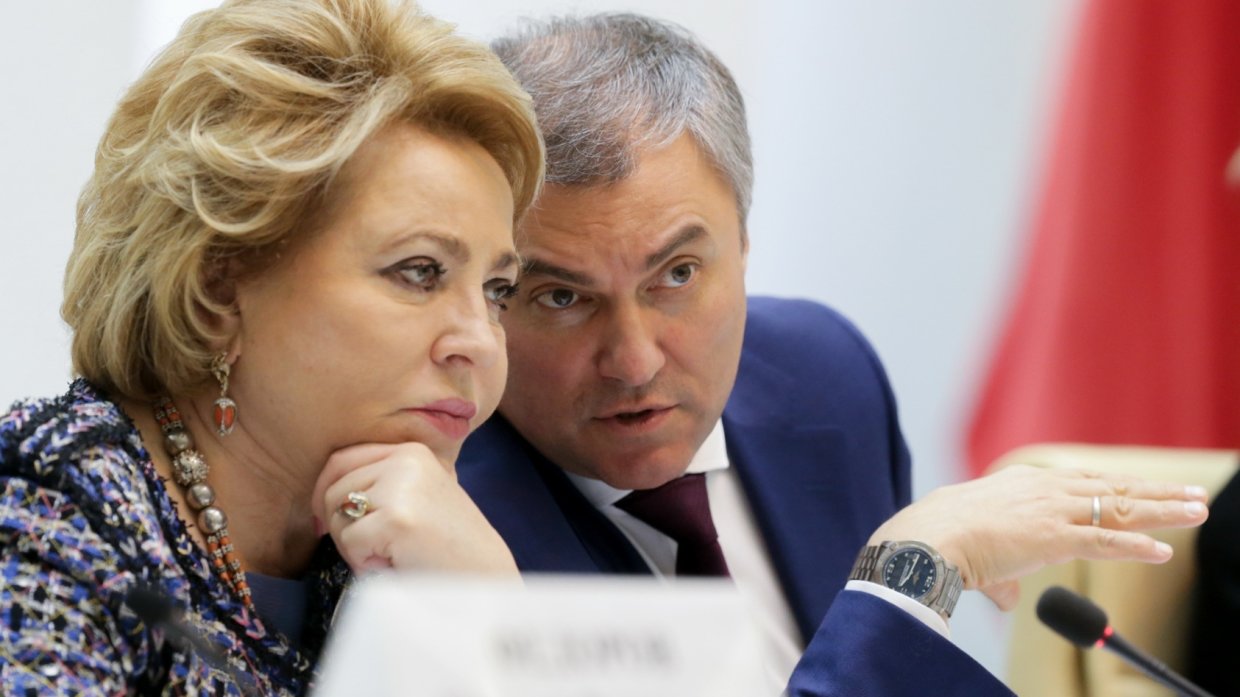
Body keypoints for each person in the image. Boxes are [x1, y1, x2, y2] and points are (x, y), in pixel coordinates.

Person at [455, 13, 1210, 696]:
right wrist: (910, 577)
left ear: (745, 244)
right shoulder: (446, 527)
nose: (634, 360)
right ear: (489, 293)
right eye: (563, 296)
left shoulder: (824, 378)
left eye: (676, 276)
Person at [0, 0, 543, 694]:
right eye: (419, 271)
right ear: (218, 292)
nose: (480, 344)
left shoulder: (422, 539)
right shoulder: (46, 515)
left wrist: (496, 626)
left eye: (498, 290)